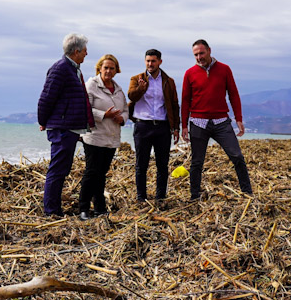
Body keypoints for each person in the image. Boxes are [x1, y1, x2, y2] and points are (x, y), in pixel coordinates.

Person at [180, 39, 253, 199]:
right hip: (198, 122)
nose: (199, 57)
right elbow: (185, 100)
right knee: (197, 162)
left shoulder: (224, 69)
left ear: (209, 51)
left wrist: (238, 118)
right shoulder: (189, 73)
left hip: (221, 122)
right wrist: (184, 125)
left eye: (201, 53)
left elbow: (233, 94)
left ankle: (247, 192)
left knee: (237, 156)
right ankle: (194, 196)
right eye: (196, 55)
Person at [37, 33, 93, 216]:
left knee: (62, 170)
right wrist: (43, 121)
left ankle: (55, 209)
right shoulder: (60, 68)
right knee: (57, 169)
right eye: (84, 50)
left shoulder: (73, 68)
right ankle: (51, 211)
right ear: (76, 51)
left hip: (69, 127)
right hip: (62, 127)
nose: (86, 53)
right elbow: (46, 97)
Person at [78, 54, 129, 218]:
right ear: (99, 68)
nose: (108, 70)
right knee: (91, 172)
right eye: (105, 67)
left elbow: (126, 110)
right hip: (94, 136)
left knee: (102, 173)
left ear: (116, 70)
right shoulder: (91, 85)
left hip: (111, 137)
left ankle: (100, 207)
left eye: (111, 68)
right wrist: (103, 114)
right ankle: (84, 208)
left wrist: (123, 119)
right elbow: (84, 108)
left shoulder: (119, 90)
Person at [127, 48, 180, 204]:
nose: (150, 64)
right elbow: (131, 96)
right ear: (145, 61)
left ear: (160, 62)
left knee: (162, 165)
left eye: (153, 61)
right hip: (142, 126)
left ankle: (160, 197)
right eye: (148, 61)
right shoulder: (136, 79)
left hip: (163, 127)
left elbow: (175, 105)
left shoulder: (168, 81)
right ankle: (141, 198)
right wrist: (141, 89)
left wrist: (175, 127)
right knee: (141, 164)